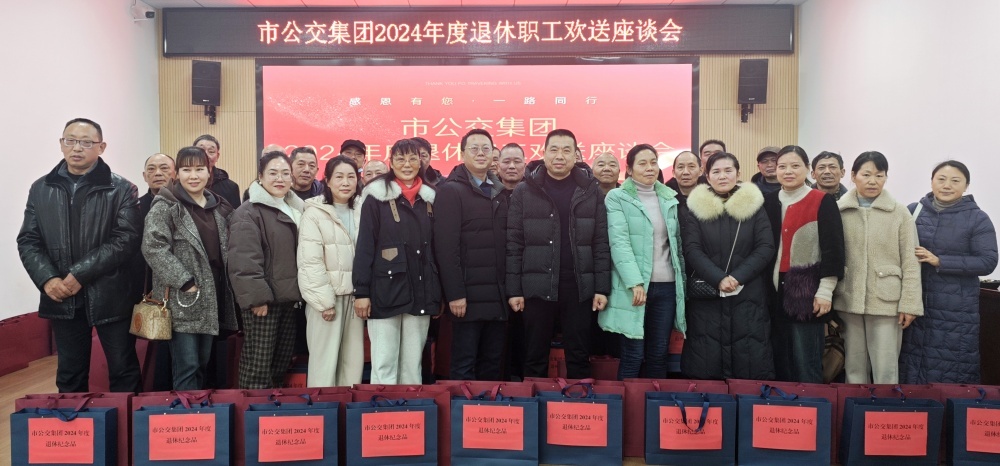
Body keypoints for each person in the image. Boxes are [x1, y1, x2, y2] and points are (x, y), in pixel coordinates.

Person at [17, 118, 142, 393]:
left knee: (123, 369)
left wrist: (80, 274)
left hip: (111, 295)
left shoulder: (122, 188)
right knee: (69, 374)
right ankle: (75, 421)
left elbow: (126, 240)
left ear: (101, 147)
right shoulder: (41, 188)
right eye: (70, 140)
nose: (76, 148)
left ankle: (127, 421)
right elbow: (28, 240)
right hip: (61, 294)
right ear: (61, 144)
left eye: (86, 142)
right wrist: (48, 279)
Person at [507, 129, 611, 379]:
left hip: (578, 287)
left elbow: (600, 242)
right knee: (534, 356)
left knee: (579, 355)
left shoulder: (591, 191)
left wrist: (601, 288)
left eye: (566, 150)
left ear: (576, 155)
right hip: (536, 286)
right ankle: (535, 402)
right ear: (543, 154)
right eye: (553, 150)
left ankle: (580, 402)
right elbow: (514, 243)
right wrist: (514, 290)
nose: (560, 156)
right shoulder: (524, 191)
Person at [142, 147, 238, 390]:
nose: (193, 176)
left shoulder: (220, 207)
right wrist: (185, 282)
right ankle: (187, 412)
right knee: (187, 366)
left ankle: (199, 410)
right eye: (186, 170)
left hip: (212, 296)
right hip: (181, 297)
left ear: (209, 172)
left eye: (199, 169)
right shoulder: (166, 205)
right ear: (177, 173)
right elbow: (153, 247)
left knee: (204, 363)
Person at [900, 161, 998, 384]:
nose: (947, 185)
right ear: (932, 181)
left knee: (951, 368)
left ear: (966, 186)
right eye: (941, 179)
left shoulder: (977, 218)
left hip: (956, 310)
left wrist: (940, 261)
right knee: (909, 365)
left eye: (955, 181)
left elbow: (987, 261)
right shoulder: (914, 211)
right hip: (914, 302)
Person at [353, 139, 441, 384]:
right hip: (385, 290)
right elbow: (365, 247)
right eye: (400, 159)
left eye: (413, 158)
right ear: (391, 162)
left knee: (413, 365)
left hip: (422, 290)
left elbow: (437, 250)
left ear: (421, 162)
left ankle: (410, 408)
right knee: (384, 362)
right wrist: (361, 292)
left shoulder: (431, 198)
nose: (407, 164)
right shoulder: (375, 197)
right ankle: (383, 408)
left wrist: (438, 294)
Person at [682, 152, 775, 380]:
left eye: (728, 170)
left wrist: (737, 277)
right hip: (708, 295)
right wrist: (719, 278)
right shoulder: (695, 208)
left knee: (750, 358)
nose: (722, 176)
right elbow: (691, 249)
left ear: (738, 173)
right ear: (707, 176)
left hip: (748, 292)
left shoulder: (754, 206)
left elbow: (765, 247)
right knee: (706, 359)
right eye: (716, 171)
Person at [834, 151, 922, 384]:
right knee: (853, 367)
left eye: (879, 175)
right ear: (853, 176)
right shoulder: (838, 210)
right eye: (866, 174)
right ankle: (854, 407)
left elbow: (911, 261)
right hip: (848, 297)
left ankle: (884, 407)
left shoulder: (900, 212)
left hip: (887, 301)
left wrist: (910, 303)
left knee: (886, 368)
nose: (873, 181)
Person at [599, 144, 686, 379]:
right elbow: (619, 243)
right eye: (642, 163)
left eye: (653, 162)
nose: (650, 168)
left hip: (666, 286)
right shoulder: (617, 197)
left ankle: (654, 402)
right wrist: (635, 282)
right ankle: (628, 403)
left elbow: (675, 244)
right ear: (629, 169)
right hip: (634, 287)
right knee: (633, 355)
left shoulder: (668, 197)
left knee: (658, 354)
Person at [762, 146, 845, 383]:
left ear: (808, 169)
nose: (788, 171)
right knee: (780, 360)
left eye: (795, 166)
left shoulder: (822, 200)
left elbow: (834, 250)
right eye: (782, 166)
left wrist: (825, 291)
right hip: (772, 290)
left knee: (806, 361)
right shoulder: (767, 201)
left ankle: (810, 404)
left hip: (806, 291)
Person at [434, 129, 510, 381]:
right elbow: (446, 248)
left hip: (497, 296)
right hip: (467, 297)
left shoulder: (499, 192)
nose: (480, 153)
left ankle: (489, 407)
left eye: (486, 148)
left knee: (492, 364)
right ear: (462, 153)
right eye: (474, 148)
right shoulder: (451, 191)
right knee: (464, 364)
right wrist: (455, 294)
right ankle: (462, 407)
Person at [228, 151, 305, 389]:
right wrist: (257, 299)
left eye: (285, 173)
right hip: (264, 302)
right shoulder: (248, 212)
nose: (279, 178)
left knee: (279, 365)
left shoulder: (296, 208)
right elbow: (244, 259)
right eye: (273, 173)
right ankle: (252, 410)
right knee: (257, 368)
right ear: (260, 177)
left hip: (288, 299)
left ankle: (272, 409)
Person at [297, 156, 365, 387]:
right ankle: (323, 409)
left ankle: (348, 408)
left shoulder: (363, 210)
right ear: (327, 180)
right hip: (327, 301)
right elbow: (310, 262)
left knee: (352, 366)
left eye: (351, 177)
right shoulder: (314, 213)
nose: (345, 182)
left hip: (355, 300)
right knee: (324, 367)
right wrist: (324, 302)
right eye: (339, 177)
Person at [193, 134, 241, 208]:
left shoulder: (231, 187)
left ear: (217, 156)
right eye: (201, 150)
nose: (206, 155)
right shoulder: (184, 183)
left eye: (211, 151)